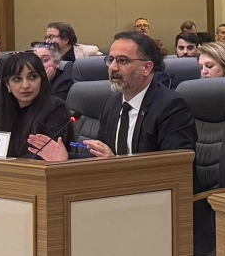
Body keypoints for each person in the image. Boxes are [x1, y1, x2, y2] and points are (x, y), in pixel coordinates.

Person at [36, 32, 196, 162]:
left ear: (146, 68)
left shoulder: (171, 106)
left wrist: (115, 163)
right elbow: (100, 154)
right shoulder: (113, 103)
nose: (112, 68)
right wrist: (66, 158)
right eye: (111, 60)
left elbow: (173, 167)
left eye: (122, 61)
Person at [0, 51, 75, 159]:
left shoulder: (56, 109)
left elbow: (48, 156)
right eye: (17, 79)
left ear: (42, 80)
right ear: (8, 85)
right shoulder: (3, 110)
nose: (25, 85)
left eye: (32, 77)